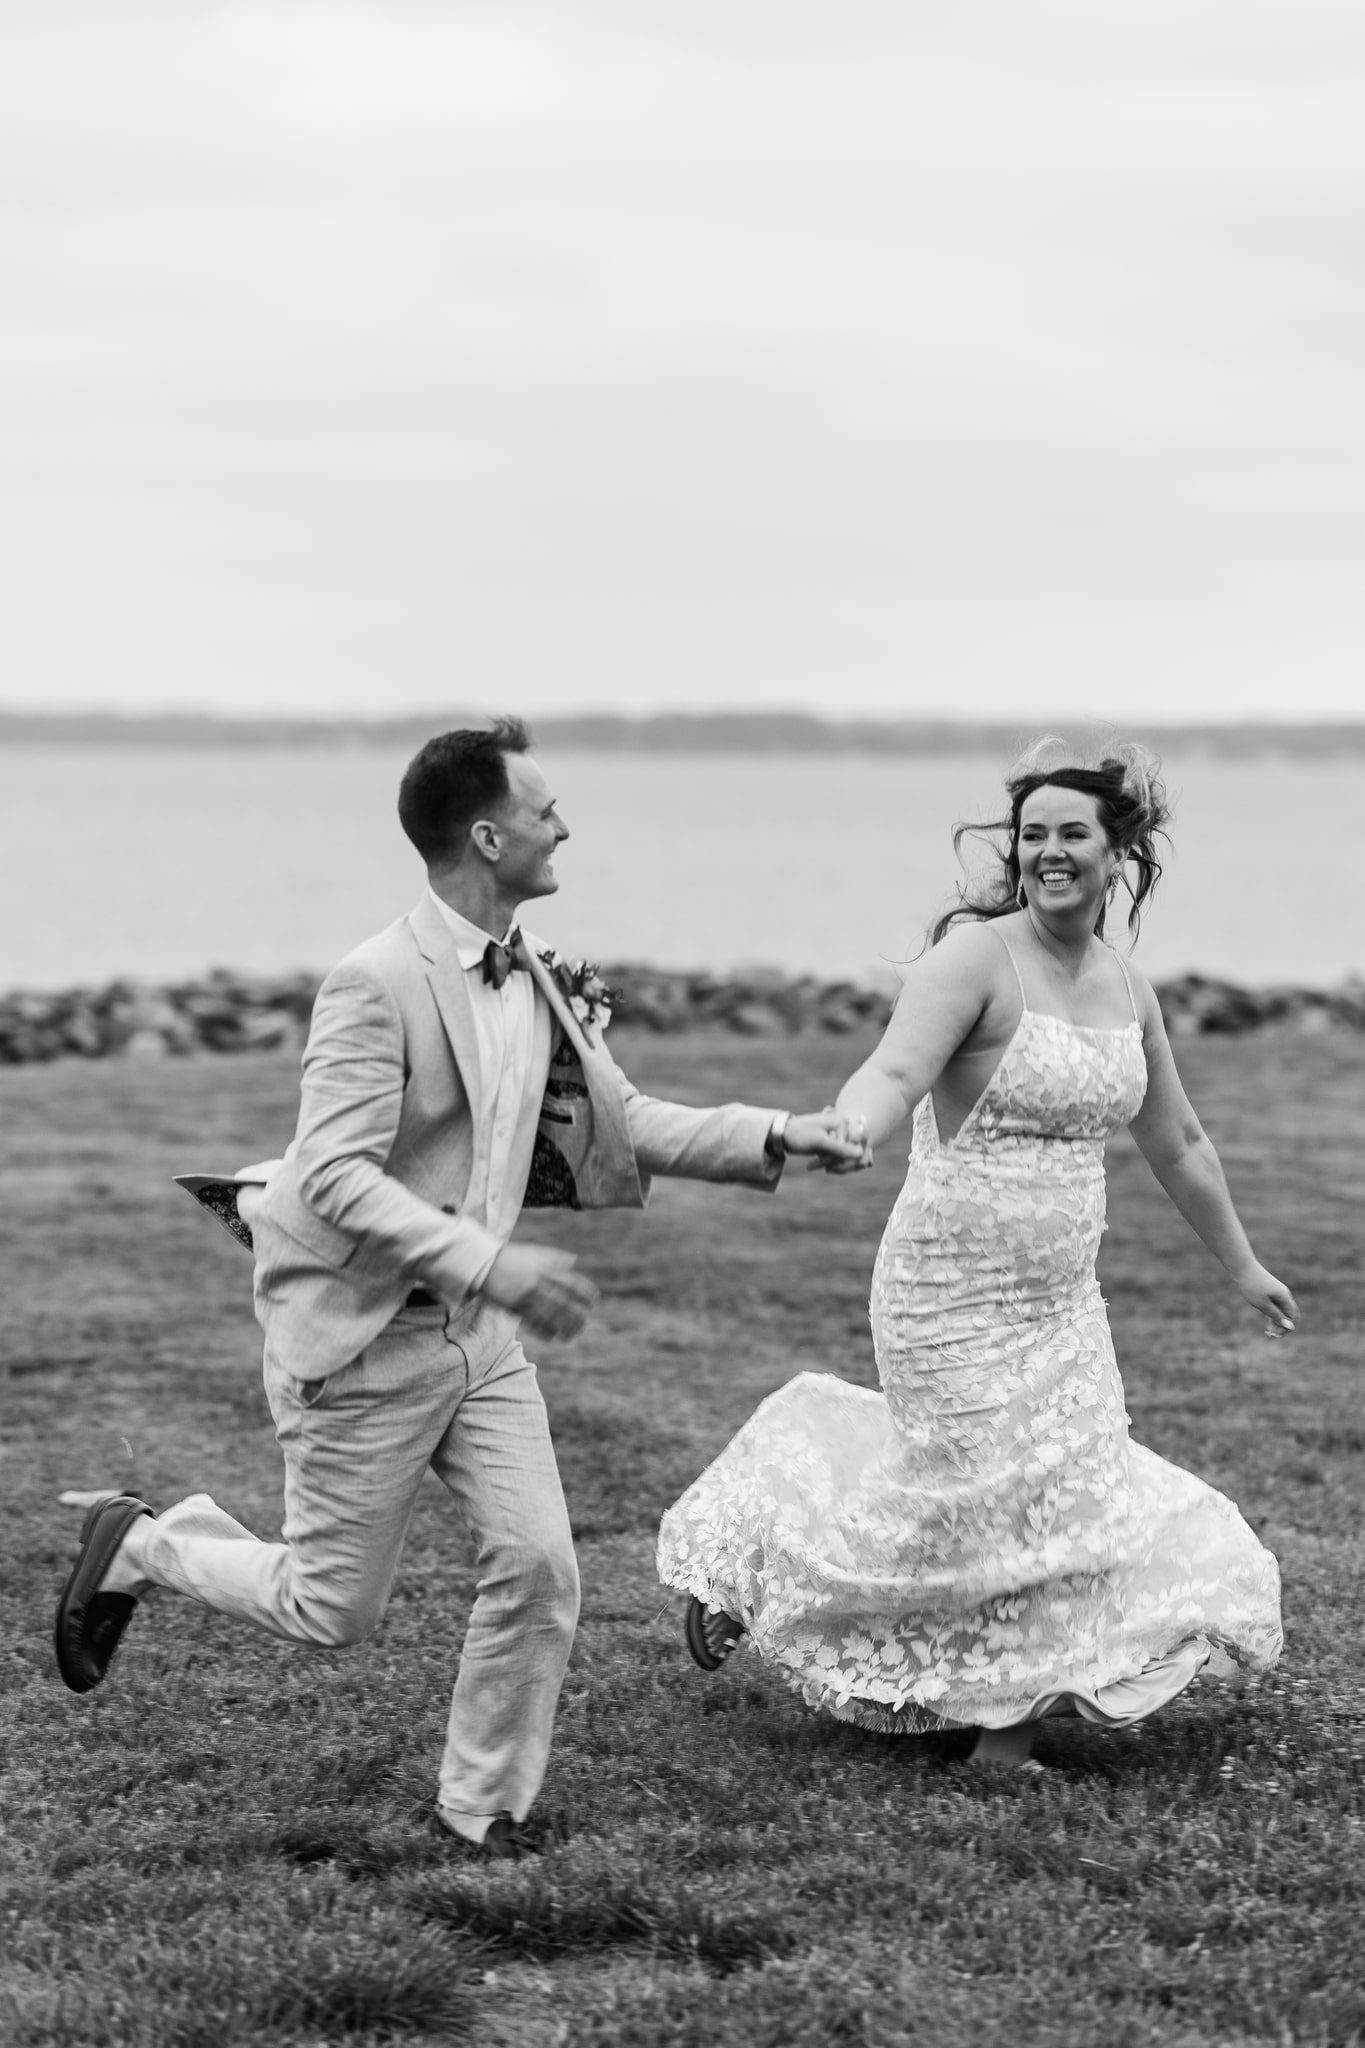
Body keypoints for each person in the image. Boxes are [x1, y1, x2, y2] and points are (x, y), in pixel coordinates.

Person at [54, 718, 865, 1852]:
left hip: (478, 1340)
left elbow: (622, 1119)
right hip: (364, 1335)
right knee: (331, 1609)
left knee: (540, 1567)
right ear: (487, 834)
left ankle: (480, 1810)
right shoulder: (374, 982)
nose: (563, 823)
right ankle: (142, 1543)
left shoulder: (531, 971)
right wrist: (494, 1256)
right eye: (544, 809)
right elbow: (332, 1175)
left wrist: (781, 1129)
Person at [658, 741, 1294, 1765]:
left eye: (1070, 833)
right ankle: (759, 1556)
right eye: (1031, 833)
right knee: (959, 1504)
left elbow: (1177, 1139)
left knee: (1066, 1503)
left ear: (1116, 848)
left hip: (1059, 1299)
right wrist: (850, 1124)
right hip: (946, 1290)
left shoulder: (1130, 987)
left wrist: (1242, 1263)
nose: (1048, 850)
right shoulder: (973, 962)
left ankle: (1006, 1730)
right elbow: (894, 1069)